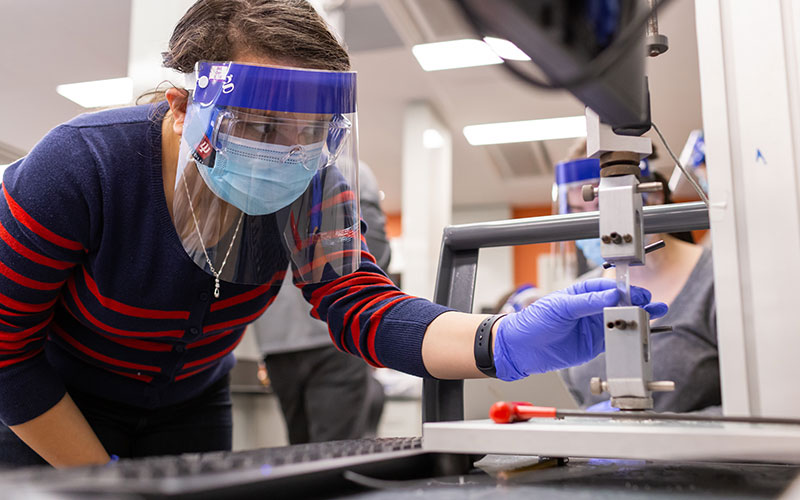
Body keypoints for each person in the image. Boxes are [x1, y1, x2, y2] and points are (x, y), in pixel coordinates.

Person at [0, 0, 665, 469]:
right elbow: (7, 354)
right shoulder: (81, 167)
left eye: (309, 132)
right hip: (47, 402)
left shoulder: (310, 182)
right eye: (259, 127)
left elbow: (361, 307)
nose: (287, 152)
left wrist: (499, 343)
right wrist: (99, 477)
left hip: (190, 401)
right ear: (182, 109)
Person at [556, 148, 719, 413]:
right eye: (576, 210)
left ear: (652, 196)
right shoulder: (579, 294)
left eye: (602, 206)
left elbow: (759, 406)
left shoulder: (716, 278)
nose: (592, 223)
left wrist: (662, 436)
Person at [251, 161, 388, 444]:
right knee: (337, 452)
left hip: (276, 340)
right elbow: (375, 249)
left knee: (300, 451)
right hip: (335, 336)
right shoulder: (351, 169)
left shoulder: (259, 167)